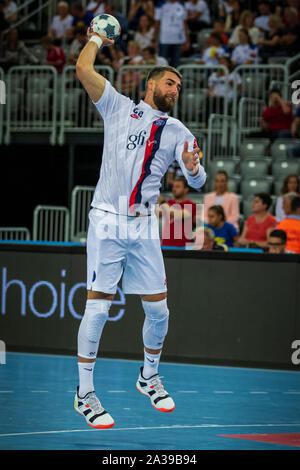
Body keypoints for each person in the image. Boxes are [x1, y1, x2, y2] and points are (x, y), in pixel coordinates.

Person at [75, 23, 206, 428]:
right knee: (97, 309)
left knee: (160, 312)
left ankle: (148, 377)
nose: (176, 89)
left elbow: (199, 183)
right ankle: (84, 394)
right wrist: (97, 38)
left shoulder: (178, 131)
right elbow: (83, 70)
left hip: (144, 225)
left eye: (179, 86)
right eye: (170, 82)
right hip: (108, 221)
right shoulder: (116, 105)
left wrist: (194, 168)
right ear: (150, 86)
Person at [159, 176, 198, 248]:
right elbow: (156, 215)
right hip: (165, 245)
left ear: (186, 189)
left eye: (178, 187)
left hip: (184, 246)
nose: (174, 189)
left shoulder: (191, 205)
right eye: (173, 187)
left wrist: (162, 202)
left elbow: (178, 216)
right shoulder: (168, 203)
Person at [154, 0, 190, 68]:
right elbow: (157, 23)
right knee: (163, 64)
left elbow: (184, 24)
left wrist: (187, 40)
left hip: (178, 40)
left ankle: (174, 78)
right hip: (164, 40)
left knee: (175, 65)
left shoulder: (182, 5)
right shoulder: (160, 5)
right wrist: (154, 40)